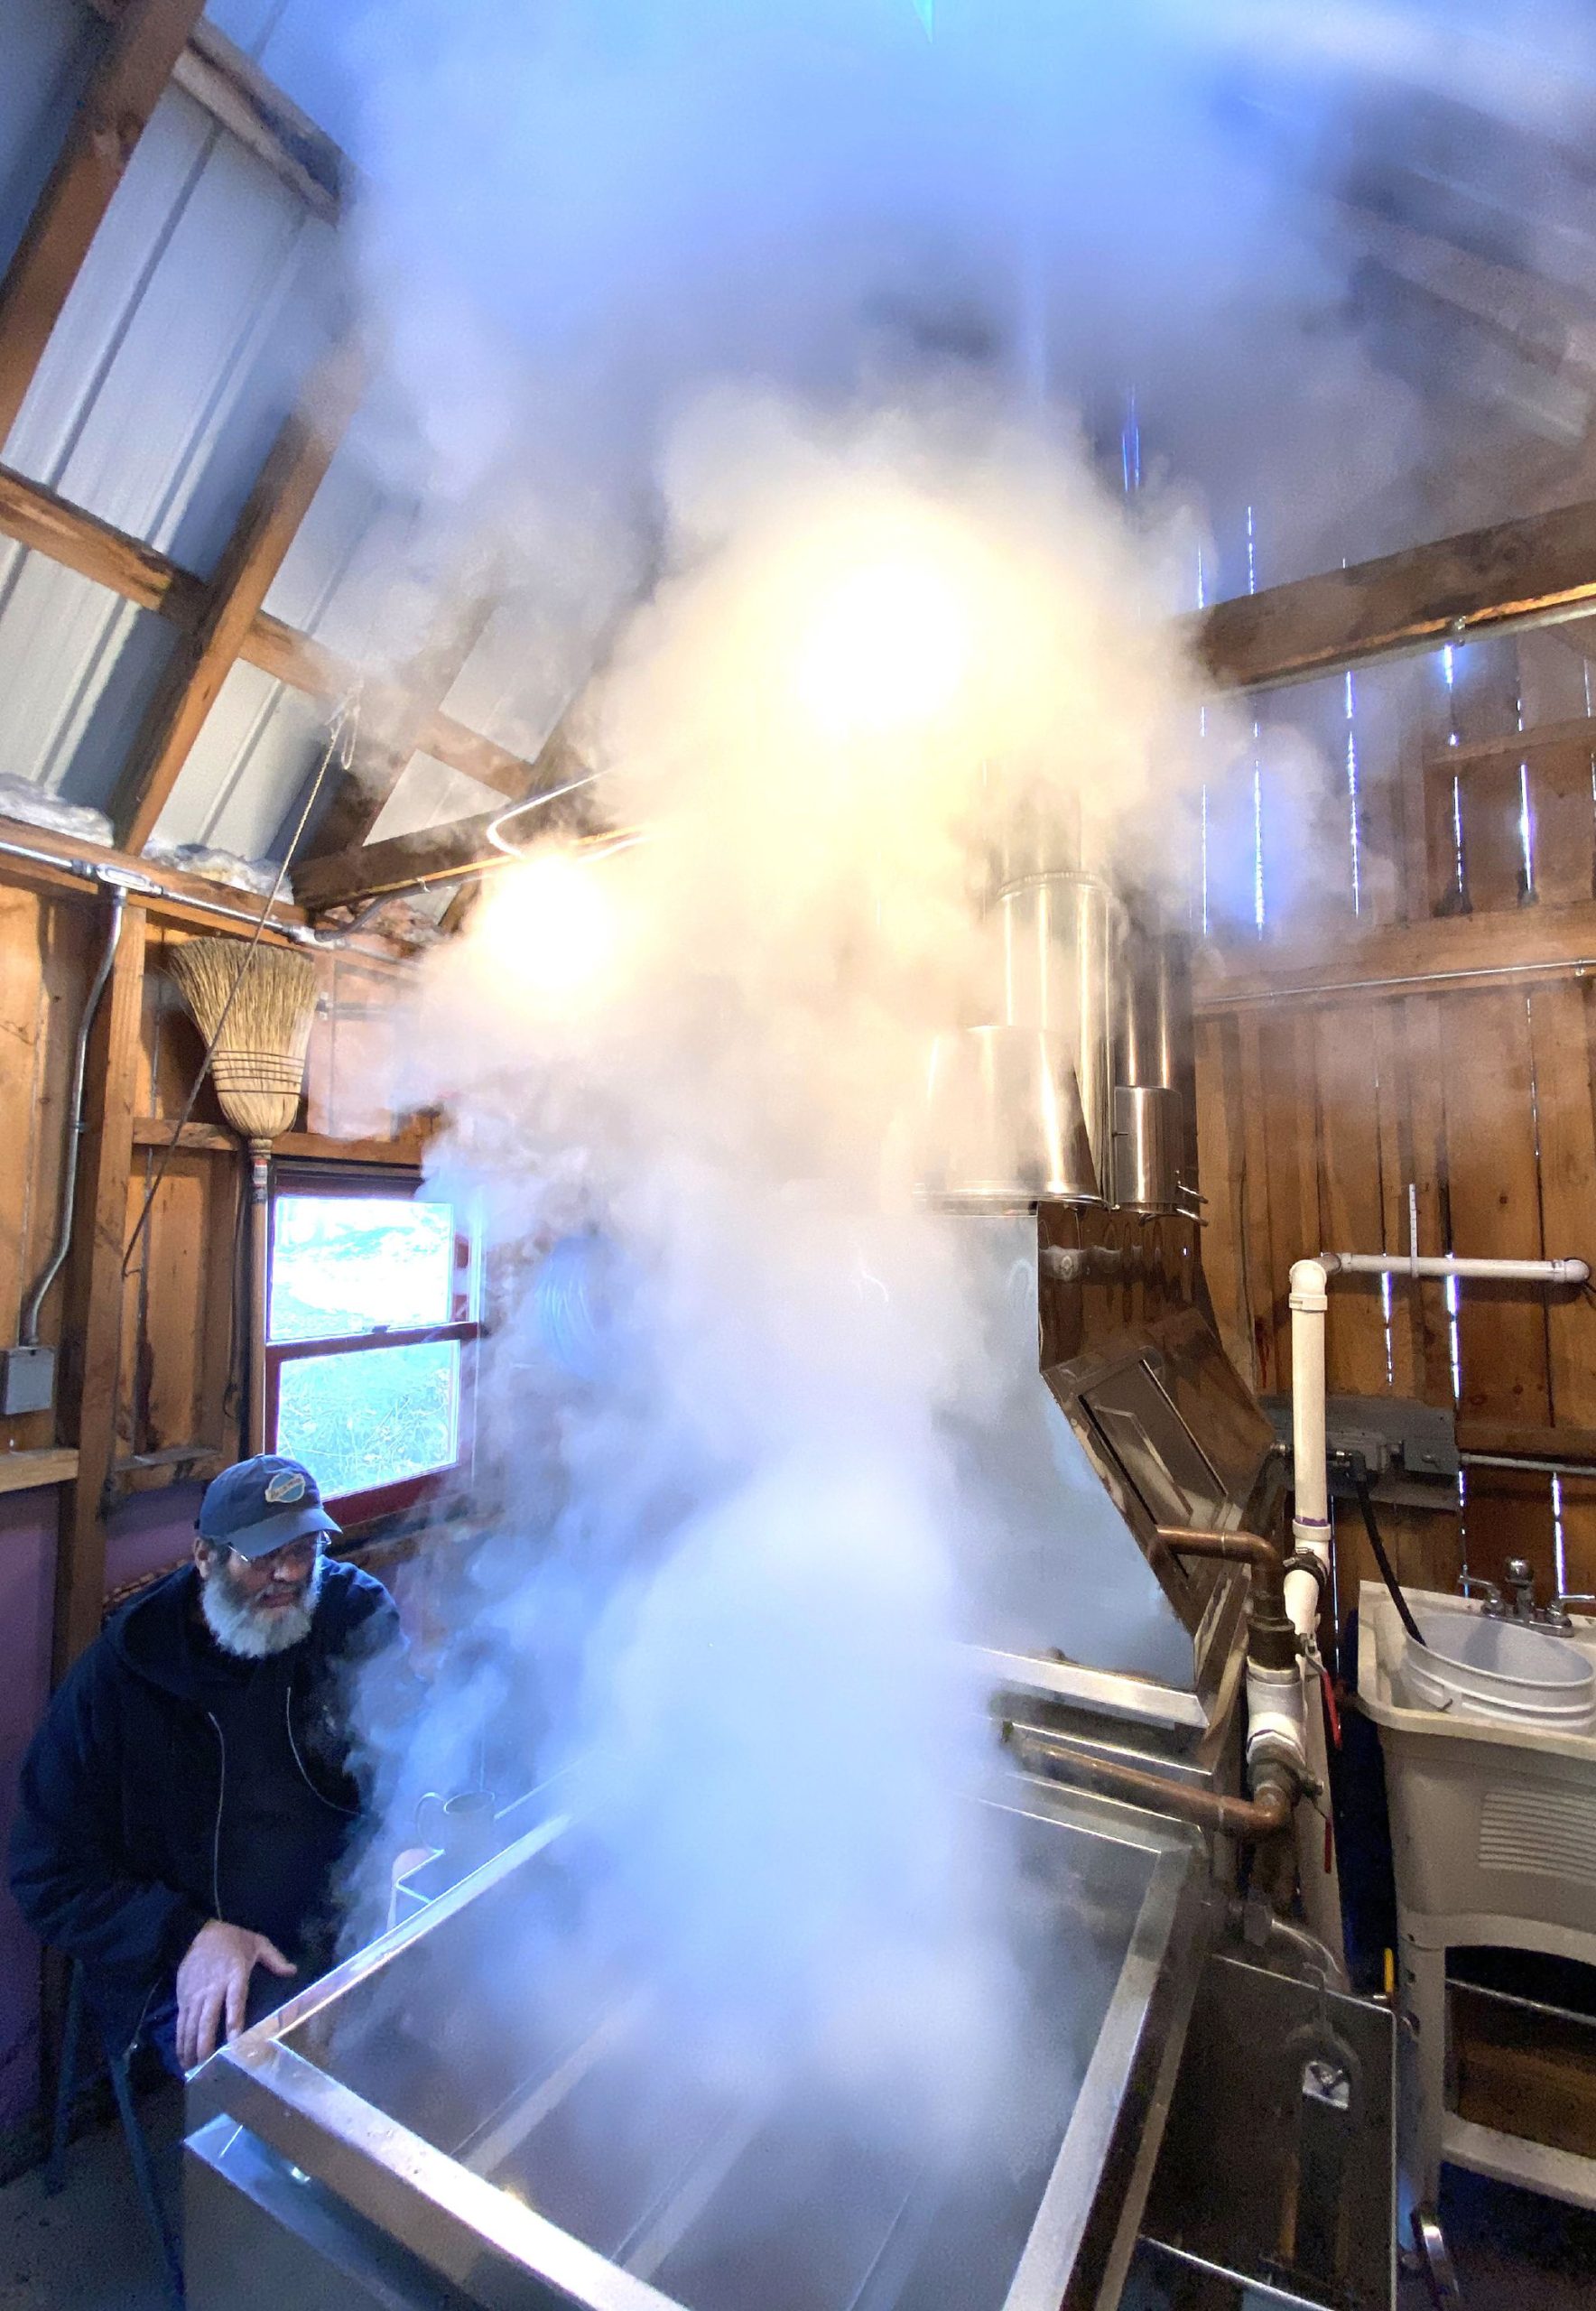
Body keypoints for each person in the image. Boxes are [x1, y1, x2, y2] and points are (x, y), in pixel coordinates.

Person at [10, 1454, 400, 2074]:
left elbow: (413, 1750)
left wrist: (414, 1840)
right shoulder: (123, 1675)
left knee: (468, 1990)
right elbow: (46, 1871)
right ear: (204, 1558)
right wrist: (186, 1934)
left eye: (303, 1551)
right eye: (262, 1558)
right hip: (199, 1946)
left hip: (346, 1910)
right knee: (297, 2077)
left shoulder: (350, 1615)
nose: (289, 1575)